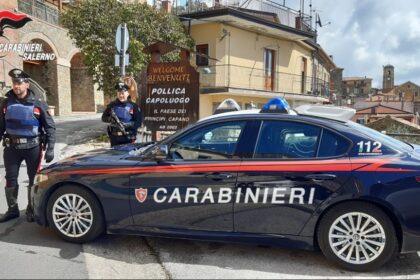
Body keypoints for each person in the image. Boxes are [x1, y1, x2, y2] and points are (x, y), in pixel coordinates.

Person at [0, 68, 56, 223]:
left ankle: (31, 209)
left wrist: (50, 148)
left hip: (33, 148)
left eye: (19, 82)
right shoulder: (6, 103)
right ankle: (12, 210)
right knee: (10, 178)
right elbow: (0, 126)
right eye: (14, 83)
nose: (16, 86)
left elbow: (50, 127)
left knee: (33, 180)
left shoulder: (38, 103)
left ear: (27, 84)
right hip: (11, 148)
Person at [102, 82, 142, 147]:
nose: (121, 95)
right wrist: (111, 119)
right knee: (115, 156)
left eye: (123, 93)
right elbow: (103, 118)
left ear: (127, 94)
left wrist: (126, 125)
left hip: (128, 137)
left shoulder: (133, 106)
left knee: (127, 156)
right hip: (114, 138)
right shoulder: (112, 105)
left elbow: (139, 122)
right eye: (119, 93)